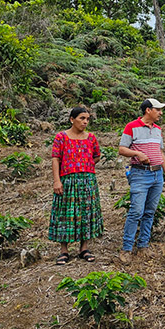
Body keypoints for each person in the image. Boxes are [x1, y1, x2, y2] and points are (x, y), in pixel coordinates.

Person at [118, 98, 165, 263]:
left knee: (150, 211)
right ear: (148, 110)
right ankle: (127, 248)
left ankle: (143, 245)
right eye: (158, 110)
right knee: (136, 211)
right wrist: (137, 154)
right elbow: (122, 149)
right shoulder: (131, 127)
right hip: (140, 174)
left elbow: (160, 153)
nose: (160, 113)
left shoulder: (157, 129)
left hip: (157, 175)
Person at [49, 106, 103, 265]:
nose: (85, 122)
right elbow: (55, 159)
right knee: (65, 213)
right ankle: (64, 251)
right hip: (67, 181)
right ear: (72, 119)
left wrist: (85, 166)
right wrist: (57, 180)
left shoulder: (91, 138)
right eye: (82, 118)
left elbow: (97, 156)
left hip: (87, 181)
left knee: (86, 213)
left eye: (87, 119)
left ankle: (84, 248)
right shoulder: (61, 137)